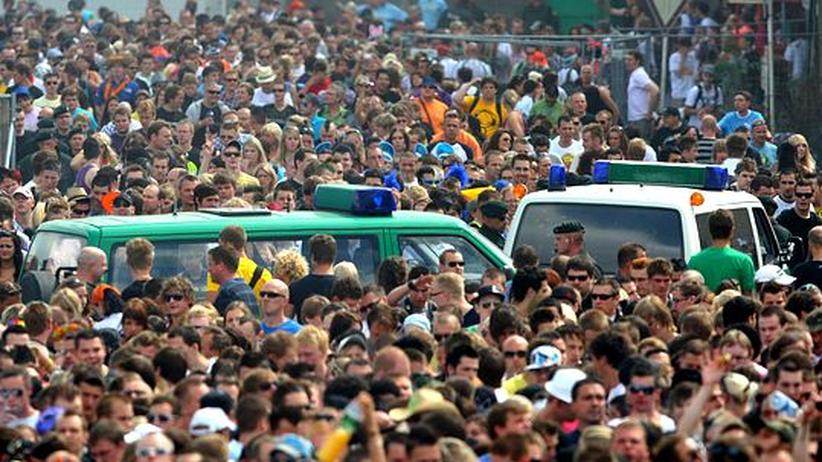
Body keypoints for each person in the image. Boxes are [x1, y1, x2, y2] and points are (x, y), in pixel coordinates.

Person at [688, 209, 755, 294]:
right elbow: (749, 296)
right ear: (732, 231)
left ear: (710, 231)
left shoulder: (695, 261)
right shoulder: (744, 261)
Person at [289, 234, 337, 320]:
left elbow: (287, 320)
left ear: (312, 257)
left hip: (305, 332)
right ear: (333, 257)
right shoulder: (341, 287)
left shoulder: (295, 287)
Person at [776, 179, 822, 263]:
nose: (803, 198)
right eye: (799, 195)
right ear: (794, 196)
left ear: (812, 196)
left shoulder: (817, 222)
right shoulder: (784, 218)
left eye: (807, 195)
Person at [208, 246, 260, 316]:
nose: (209, 269)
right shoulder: (247, 288)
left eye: (210, 264)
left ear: (221, 266)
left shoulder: (226, 293)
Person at [624, 51, 659, 140]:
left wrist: (650, 112)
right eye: (626, 60)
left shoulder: (639, 74)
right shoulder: (635, 74)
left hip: (640, 119)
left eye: (630, 60)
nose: (627, 62)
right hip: (635, 118)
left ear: (637, 61)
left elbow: (654, 90)